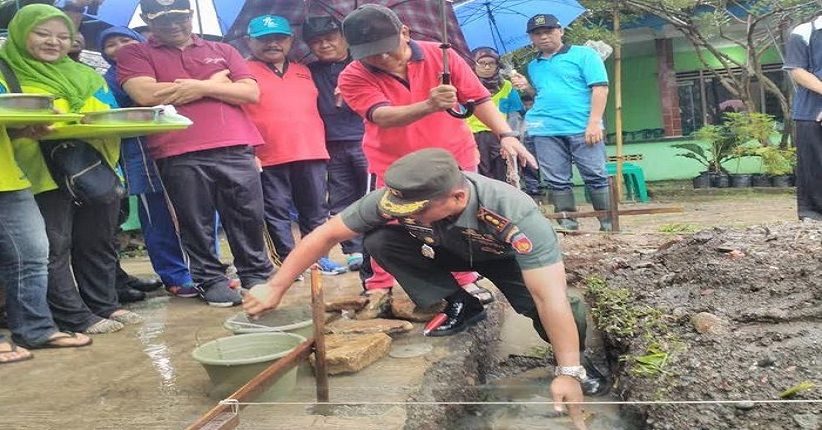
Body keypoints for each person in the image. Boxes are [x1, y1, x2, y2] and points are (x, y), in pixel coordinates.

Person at [244, 149, 608, 410]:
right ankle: (459, 301)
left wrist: (568, 371)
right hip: (444, 246)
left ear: (457, 197)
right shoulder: (397, 198)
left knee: (554, 307)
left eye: (417, 211)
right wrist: (275, 286)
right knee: (379, 240)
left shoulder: (513, 212)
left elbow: (551, 298)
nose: (404, 214)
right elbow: (325, 236)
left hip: (504, 257)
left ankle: (577, 360)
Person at [337, 5, 535, 313]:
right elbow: (381, 116)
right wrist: (429, 104)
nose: (382, 58)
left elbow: (478, 98)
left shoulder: (441, 55)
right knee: (387, 223)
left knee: (458, 222)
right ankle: (380, 286)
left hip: (452, 159)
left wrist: (506, 135)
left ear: (404, 32)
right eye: (371, 53)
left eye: (387, 49)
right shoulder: (353, 75)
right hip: (395, 165)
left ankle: (465, 279)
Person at [117, 0, 274, 307]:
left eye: (179, 17)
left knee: (248, 215)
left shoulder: (224, 50)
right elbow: (145, 94)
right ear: (147, 19)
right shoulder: (135, 53)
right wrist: (213, 84)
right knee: (194, 220)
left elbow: (250, 92)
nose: (173, 24)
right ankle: (211, 279)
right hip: (177, 149)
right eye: (162, 19)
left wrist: (193, 88)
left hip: (237, 144)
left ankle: (255, 274)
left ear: (190, 15)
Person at [1, 4, 141, 334]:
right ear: (21, 33)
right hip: (39, 171)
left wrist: (82, 118)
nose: (54, 42)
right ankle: (74, 315)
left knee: (97, 240)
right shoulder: (7, 73)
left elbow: (108, 110)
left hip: (94, 167)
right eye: (42, 34)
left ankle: (104, 304)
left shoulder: (85, 74)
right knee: (55, 245)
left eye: (63, 36)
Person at [240, 15, 346, 277]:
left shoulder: (305, 69)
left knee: (316, 211)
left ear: (290, 40)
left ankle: (319, 259)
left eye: (279, 38)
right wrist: (248, 150)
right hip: (267, 154)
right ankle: (289, 263)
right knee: (276, 212)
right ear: (249, 42)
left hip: (311, 151)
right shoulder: (240, 73)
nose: (273, 44)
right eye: (264, 39)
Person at [98, 26, 197, 301]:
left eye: (125, 40)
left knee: (194, 210)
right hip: (139, 156)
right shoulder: (109, 80)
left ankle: (202, 269)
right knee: (157, 217)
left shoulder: (158, 68)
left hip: (178, 149)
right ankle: (175, 276)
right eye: (110, 44)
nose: (119, 47)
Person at [511, 14, 612, 231]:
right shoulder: (534, 65)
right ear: (531, 38)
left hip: (582, 126)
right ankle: (568, 224)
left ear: (561, 31)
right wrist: (526, 87)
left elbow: (600, 88)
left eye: (548, 31)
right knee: (556, 180)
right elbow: (542, 94)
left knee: (595, 175)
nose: (544, 37)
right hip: (545, 129)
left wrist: (594, 122)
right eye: (538, 34)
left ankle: (608, 223)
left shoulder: (584, 55)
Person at [304, 15, 367, 272]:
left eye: (330, 38)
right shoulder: (309, 71)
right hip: (330, 143)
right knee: (341, 199)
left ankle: (379, 246)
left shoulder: (364, 63)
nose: (324, 45)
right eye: (316, 42)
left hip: (366, 138)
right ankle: (353, 250)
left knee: (372, 195)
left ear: (343, 38)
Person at [465, 46, 524, 182]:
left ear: (498, 65)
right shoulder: (465, 85)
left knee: (503, 172)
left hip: (499, 135)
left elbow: (514, 114)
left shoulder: (507, 86)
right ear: (473, 64)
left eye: (491, 63)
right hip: (473, 136)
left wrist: (510, 136)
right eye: (482, 63)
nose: (487, 67)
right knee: (479, 173)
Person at [783, 14, 822, 221]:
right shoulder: (804, 32)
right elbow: (797, 71)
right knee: (814, 166)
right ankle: (813, 216)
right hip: (810, 112)